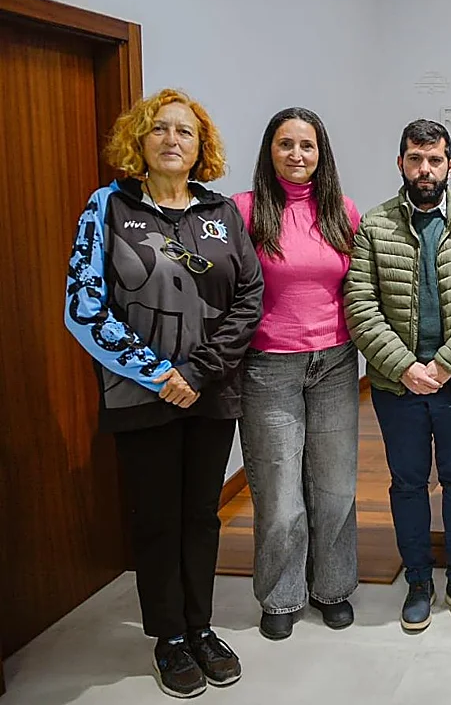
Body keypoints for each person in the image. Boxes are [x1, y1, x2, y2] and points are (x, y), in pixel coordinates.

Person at [64, 88, 263, 697]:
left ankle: (200, 627)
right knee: (155, 517)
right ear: (139, 142)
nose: (172, 140)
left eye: (185, 132)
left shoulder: (221, 212)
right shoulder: (108, 208)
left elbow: (248, 296)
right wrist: (158, 373)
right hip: (140, 395)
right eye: (160, 130)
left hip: (208, 392)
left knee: (200, 514)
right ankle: (169, 639)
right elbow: (84, 306)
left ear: (201, 147)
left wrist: (197, 373)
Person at [345, 119, 451, 634]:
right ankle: (418, 579)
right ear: (401, 163)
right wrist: (405, 367)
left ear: (450, 165)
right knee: (408, 483)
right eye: (415, 159)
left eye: (434, 159)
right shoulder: (374, 226)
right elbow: (360, 305)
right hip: (398, 387)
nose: (425, 169)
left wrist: (442, 366)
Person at [232, 108, 362, 641]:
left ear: (321, 152)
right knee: (280, 491)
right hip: (268, 367)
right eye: (285, 145)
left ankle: (332, 587)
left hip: (335, 362)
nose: (296, 155)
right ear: (269, 151)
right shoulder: (244, 211)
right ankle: (282, 594)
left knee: (335, 487)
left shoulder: (342, 212)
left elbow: (357, 286)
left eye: (306, 145)